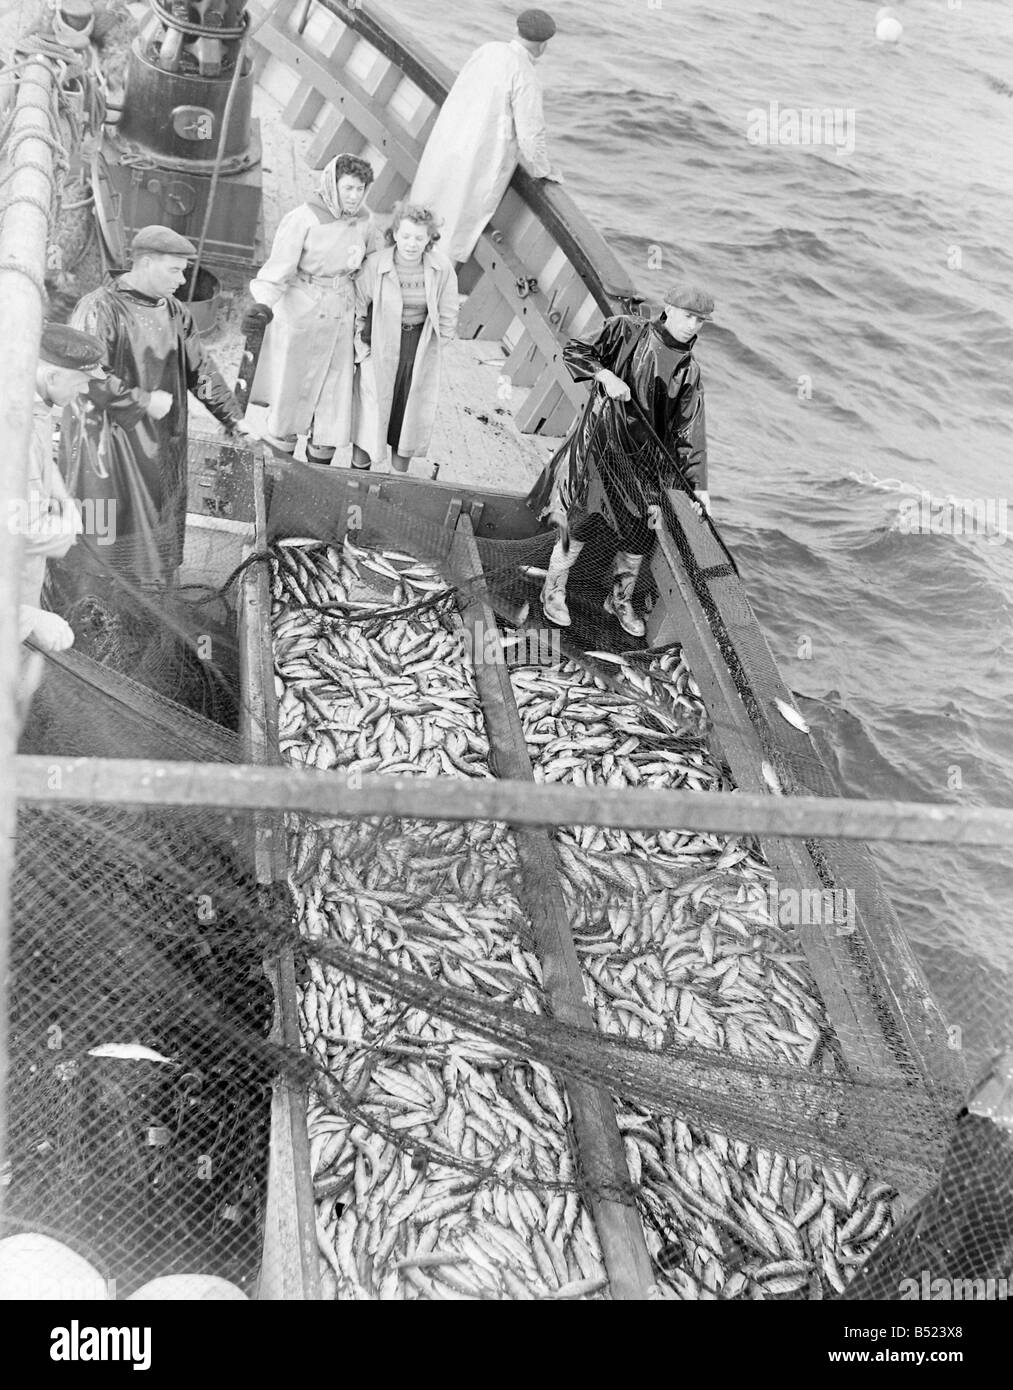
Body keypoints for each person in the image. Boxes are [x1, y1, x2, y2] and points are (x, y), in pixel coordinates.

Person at [54, 225, 253, 596]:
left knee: (155, 528)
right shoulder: (98, 308)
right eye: (174, 270)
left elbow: (201, 368)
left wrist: (233, 417)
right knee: (102, 525)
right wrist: (143, 400)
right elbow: (87, 373)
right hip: (104, 448)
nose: (181, 281)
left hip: (161, 445)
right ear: (145, 263)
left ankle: (149, 596)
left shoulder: (177, 312)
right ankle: (91, 598)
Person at [528, 282, 715, 638]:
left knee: (639, 536)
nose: (693, 325)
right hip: (600, 446)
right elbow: (576, 350)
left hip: (645, 464)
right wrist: (605, 374)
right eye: (689, 316)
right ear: (669, 309)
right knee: (581, 521)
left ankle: (619, 599)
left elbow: (690, 434)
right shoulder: (624, 330)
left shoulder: (688, 372)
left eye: (701, 321)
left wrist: (700, 489)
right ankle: (553, 589)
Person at [242, 153, 382, 463]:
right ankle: (278, 470)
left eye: (360, 189)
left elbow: (374, 261)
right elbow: (278, 268)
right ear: (332, 185)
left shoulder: (366, 222)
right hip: (303, 308)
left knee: (330, 397)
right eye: (348, 188)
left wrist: (371, 309)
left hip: (342, 312)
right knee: (291, 396)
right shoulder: (303, 218)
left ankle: (317, 473)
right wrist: (262, 304)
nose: (354, 196)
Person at [408, 8, 563, 266]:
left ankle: (403, 266)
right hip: (480, 158)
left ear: (516, 30)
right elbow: (530, 136)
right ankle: (432, 285)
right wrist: (542, 169)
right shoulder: (526, 76)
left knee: (426, 205)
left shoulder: (487, 50)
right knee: (454, 225)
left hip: (449, 141)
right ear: (543, 45)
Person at [350, 202, 459, 474]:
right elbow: (357, 309)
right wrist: (362, 352)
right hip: (379, 344)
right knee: (371, 411)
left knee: (407, 413)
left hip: (417, 347)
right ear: (395, 233)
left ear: (429, 239)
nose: (412, 244)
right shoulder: (376, 264)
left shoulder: (441, 267)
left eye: (419, 238)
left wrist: (439, 343)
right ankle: (357, 474)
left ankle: (398, 478)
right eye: (406, 236)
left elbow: (448, 311)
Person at [17, 324, 105, 652]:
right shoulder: (12, 430)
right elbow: (20, 531)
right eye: (80, 382)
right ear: (53, 377)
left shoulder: (30, 400)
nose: (83, 392)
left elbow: (42, 460)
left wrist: (64, 499)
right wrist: (69, 530)